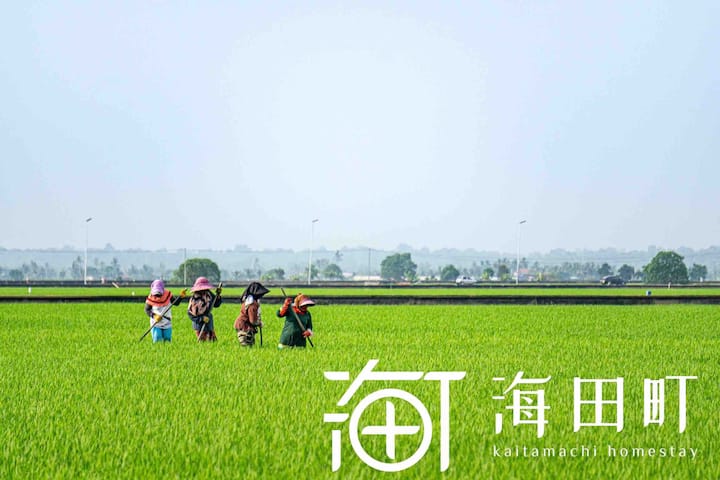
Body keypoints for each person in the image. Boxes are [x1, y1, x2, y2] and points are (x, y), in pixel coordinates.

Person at [234, 281, 270, 347]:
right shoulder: (252, 304)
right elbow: (252, 321)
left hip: (243, 325)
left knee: (249, 346)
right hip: (244, 326)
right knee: (246, 345)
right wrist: (259, 323)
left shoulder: (248, 301)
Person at [187, 276, 222, 341]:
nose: (204, 290)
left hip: (209, 322)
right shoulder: (194, 299)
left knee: (213, 342)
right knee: (202, 342)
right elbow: (190, 314)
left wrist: (218, 295)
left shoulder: (208, 294)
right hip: (199, 326)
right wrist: (201, 319)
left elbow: (216, 304)